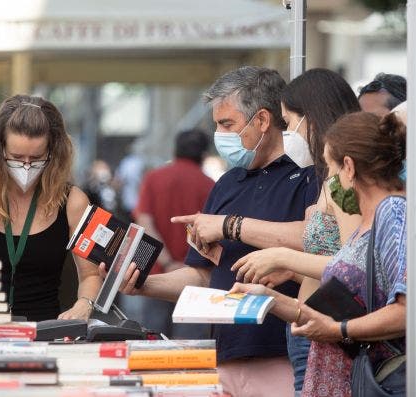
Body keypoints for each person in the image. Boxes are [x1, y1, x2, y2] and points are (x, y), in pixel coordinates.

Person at [111, 66, 319, 396]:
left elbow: (314, 240)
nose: (219, 136)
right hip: (225, 356)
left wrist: (228, 226)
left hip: (286, 355)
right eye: (217, 126)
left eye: (227, 125)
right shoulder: (225, 184)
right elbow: (204, 276)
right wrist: (146, 284)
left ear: (263, 121)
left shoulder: (309, 176)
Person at [230, 111, 406, 396]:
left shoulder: (393, 212)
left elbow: (405, 312)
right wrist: (269, 300)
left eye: (331, 167)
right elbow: (340, 308)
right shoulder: (367, 222)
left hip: (376, 380)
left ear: (348, 166)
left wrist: (340, 330)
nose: (330, 180)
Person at [217, 68, 362, 394]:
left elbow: (353, 267)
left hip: (325, 331)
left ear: (311, 117)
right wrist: (288, 270)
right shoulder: (328, 178)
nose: (286, 132)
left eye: (288, 121)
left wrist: (284, 257)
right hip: (307, 327)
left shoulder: (344, 180)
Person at [0, 94, 101, 322]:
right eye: (16, 157)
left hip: (47, 333)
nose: (26, 166)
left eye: (36, 158)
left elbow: (91, 274)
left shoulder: (74, 201)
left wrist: (85, 304)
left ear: (53, 153)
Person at [124, 128, 214, 338]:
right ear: (204, 154)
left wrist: (166, 262)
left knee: (154, 343)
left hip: (155, 275)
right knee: (190, 350)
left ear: (175, 150)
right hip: (195, 278)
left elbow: (144, 221)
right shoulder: (210, 185)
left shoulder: (154, 178)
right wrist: (181, 265)